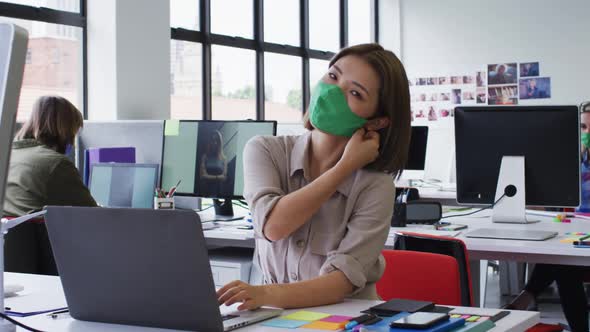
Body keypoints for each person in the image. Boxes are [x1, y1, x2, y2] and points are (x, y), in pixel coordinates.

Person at [216, 43, 411, 310]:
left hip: (345, 317)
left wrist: (345, 167)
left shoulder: (376, 185)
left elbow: (340, 282)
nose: (332, 92)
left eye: (354, 92)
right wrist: (342, 169)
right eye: (333, 76)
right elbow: (273, 226)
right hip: (274, 318)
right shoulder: (265, 150)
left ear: (376, 122)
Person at [504, 102, 590, 332]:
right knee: (561, 256)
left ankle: (527, 296)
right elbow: (558, 202)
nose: (587, 134)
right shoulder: (573, 162)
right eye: (583, 127)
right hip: (573, 232)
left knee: (563, 262)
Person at [3, 96, 97, 275]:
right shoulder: (55, 164)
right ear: (65, 130)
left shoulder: (7, 155)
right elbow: (94, 218)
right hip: (44, 267)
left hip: (11, 267)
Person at [199, 130, 228, 196]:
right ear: (210, 141)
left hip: (219, 191)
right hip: (206, 190)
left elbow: (224, 177)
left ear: (220, 142)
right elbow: (202, 176)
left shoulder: (224, 158)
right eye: (212, 140)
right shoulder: (205, 157)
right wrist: (218, 177)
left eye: (217, 140)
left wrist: (208, 176)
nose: (215, 143)